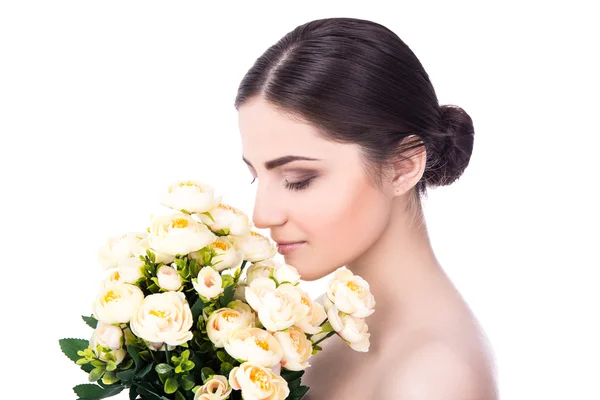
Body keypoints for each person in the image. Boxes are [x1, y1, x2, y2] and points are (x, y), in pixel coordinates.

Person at [234, 17, 498, 399]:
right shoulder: (316, 324)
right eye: (257, 177)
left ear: (402, 166)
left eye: (298, 179)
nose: (263, 216)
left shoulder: (434, 377)